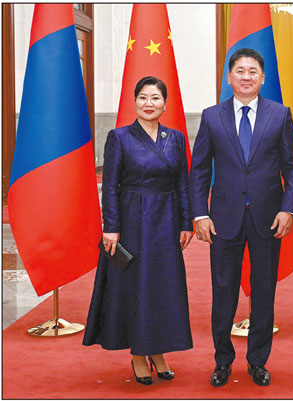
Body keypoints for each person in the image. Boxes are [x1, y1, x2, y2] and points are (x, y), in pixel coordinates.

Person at [190, 48, 293, 387]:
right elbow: (198, 170)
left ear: (262, 77)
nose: (246, 76)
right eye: (239, 71)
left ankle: (258, 361)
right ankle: (223, 360)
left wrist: (289, 208)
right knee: (223, 291)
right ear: (229, 77)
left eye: (253, 71)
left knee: (264, 292)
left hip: (268, 218)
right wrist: (199, 213)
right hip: (223, 219)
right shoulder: (212, 116)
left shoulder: (279, 114)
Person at [83, 76, 194, 385]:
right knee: (135, 286)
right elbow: (111, 187)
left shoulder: (176, 138)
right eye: (143, 98)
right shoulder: (119, 137)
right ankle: (137, 354)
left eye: (156, 98)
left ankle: (157, 350)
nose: (149, 104)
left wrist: (186, 222)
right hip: (132, 220)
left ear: (165, 104)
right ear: (135, 102)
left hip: (167, 220)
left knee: (163, 286)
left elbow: (182, 183)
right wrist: (112, 228)